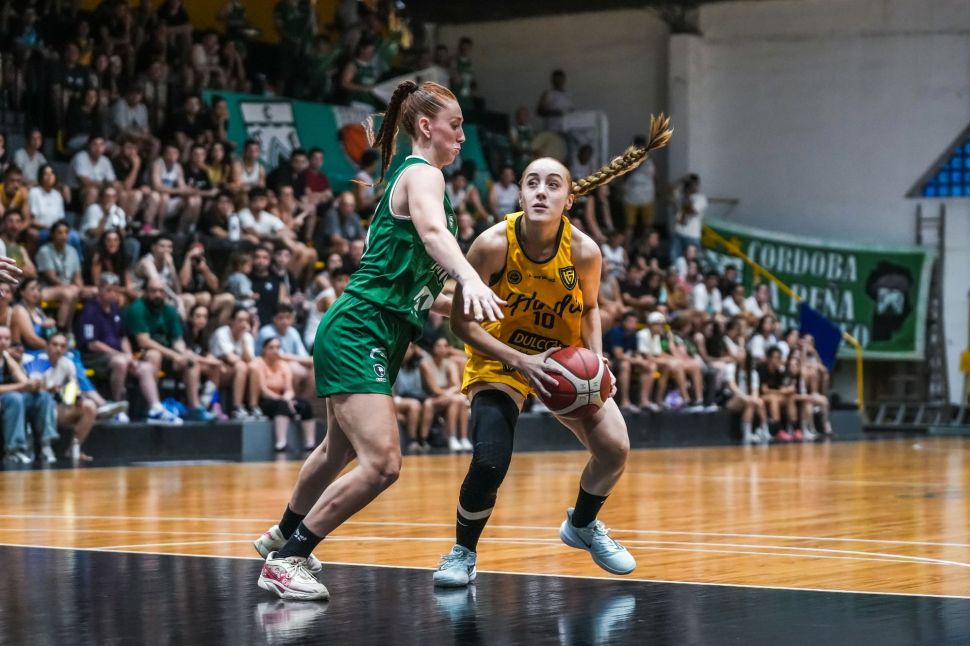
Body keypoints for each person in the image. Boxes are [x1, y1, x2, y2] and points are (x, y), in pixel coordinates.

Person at [254, 80, 504, 602]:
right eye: (456, 125)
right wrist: (471, 277)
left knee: (337, 449)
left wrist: (485, 301)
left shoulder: (408, 180)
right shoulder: (424, 174)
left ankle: (283, 533)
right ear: (426, 127)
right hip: (361, 328)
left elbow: (420, 294)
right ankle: (290, 558)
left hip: (374, 327)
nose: (462, 137)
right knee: (383, 463)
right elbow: (434, 237)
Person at [432, 151, 674, 587]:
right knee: (489, 462)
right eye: (532, 183)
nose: (541, 191)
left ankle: (582, 524)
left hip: (562, 361)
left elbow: (591, 308)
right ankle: (462, 553)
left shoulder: (584, 251)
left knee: (615, 449)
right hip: (501, 359)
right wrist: (520, 361)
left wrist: (597, 359)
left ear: (569, 200)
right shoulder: (492, 244)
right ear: (520, 196)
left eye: (552, 184)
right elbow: (462, 324)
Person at [75, 272, 181, 426]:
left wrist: (129, 355)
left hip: (117, 355)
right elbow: (92, 344)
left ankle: (155, 408)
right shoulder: (89, 311)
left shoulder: (115, 309)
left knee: (145, 368)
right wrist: (120, 355)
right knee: (120, 362)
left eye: (115, 290)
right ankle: (117, 408)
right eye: (108, 290)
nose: (113, 294)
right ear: (100, 289)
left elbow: (123, 337)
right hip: (94, 357)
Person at [126, 277, 215, 422]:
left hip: (168, 354)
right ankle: (152, 408)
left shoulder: (169, 310)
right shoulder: (137, 308)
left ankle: (194, 407)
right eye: (153, 291)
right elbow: (144, 342)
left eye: (161, 291)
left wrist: (182, 353)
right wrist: (173, 355)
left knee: (191, 361)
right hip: (140, 354)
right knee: (154, 355)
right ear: (146, 292)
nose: (157, 294)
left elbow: (177, 339)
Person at [252, 336, 317, 452]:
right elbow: (263, 391)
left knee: (305, 405)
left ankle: (310, 443)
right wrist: (283, 400)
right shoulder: (258, 363)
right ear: (264, 349)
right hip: (265, 400)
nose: (275, 350)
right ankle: (281, 443)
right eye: (271, 347)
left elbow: (289, 390)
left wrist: (287, 400)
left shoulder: (283, 365)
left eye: (278, 347)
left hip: (283, 399)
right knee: (282, 405)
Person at [209, 305, 257, 420]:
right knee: (242, 367)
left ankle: (253, 407)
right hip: (215, 370)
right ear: (231, 321)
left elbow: (250, 360)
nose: (243, 324)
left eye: (246, 320)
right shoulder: (221, 333)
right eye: (240, 320)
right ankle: (237, 408)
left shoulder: (247, 336)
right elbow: (231, 358)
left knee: (254, 368)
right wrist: (244, 362)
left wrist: (243, 339)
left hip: (234, 370)